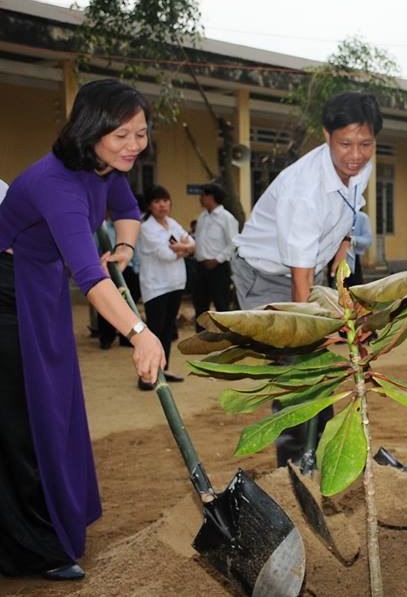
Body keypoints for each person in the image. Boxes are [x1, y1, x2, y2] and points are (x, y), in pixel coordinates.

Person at [0, 79, 165, 580]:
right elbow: (89, 279)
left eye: (140, 134)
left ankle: (52, 523)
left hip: (41, 289)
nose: (133, 146)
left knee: (58, 408)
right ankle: (28, 549)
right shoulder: (58, 183)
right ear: (90, 130)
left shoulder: (103, 168)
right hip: (6, 297)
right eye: (121, 136)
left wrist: (126, 249)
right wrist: (140, 332)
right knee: (23, 421)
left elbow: (127, 211)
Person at [233, 91, 380, 466]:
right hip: (265, 277)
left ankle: (320, 455)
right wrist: (316, 330)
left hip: (309, 269)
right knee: (296, 374)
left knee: (318, 371)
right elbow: (299, 290)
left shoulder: (360, 166)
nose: (356, 154)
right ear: (326, 136)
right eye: (345, 143)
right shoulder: (303, 192)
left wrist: (343, 246)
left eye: (365, 143)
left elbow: (351, 207)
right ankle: (295, 468)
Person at [138, 185, 194, 390]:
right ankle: (146, 376)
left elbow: (192, 243)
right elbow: (167, 255)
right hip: (156, 286)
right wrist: (183, 248)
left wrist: (181, 248)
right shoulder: (147, 228)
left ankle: (164, 368)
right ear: (150, 206)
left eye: (165, 200)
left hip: (175, 283)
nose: (162, 205)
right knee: (154, 330)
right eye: (157, 201)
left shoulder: (171, 223)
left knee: (168, 329)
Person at [191, 183, 238, 330]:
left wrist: (217, 260)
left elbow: (233, 243)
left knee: (221, 305)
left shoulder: (226, 218)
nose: (200, 198)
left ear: (211, 197)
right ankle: (201, 336)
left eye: (203, 195)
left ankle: (225, 337)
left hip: (218, 268)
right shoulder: (202, 217)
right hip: (200, 267)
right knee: (200, 305)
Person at [343, 210, 372, 288]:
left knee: (354, 290)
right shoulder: (336, 215)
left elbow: (368, 241)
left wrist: (351, 239)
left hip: (353, 259)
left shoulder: (362, 217)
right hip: (334, 257)